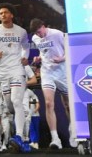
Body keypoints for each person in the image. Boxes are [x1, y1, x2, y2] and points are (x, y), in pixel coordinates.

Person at [0, 3, 31, 153]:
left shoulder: (21, 31)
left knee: (17, 101)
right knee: (10, 106)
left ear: (11, 15)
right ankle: (22, 132)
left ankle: (18, 136)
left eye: (5, 12)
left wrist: (25, 58)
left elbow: (26, 47)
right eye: (0, 13)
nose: (3, 15)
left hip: (17, 70)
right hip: (2, 72)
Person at [30, 18, 75, 149]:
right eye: (37, 33)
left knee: (67, 105)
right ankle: (55, 139)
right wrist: (38, 58)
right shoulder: (35, 38)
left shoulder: (57, 34)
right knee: (49, 103)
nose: (39, 35)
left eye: (40, 32)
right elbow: (43, 51)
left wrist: (62, 58)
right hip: (47, 73)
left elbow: (70, 50)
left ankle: (73, 130)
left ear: (44, 26)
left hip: (62, 72)